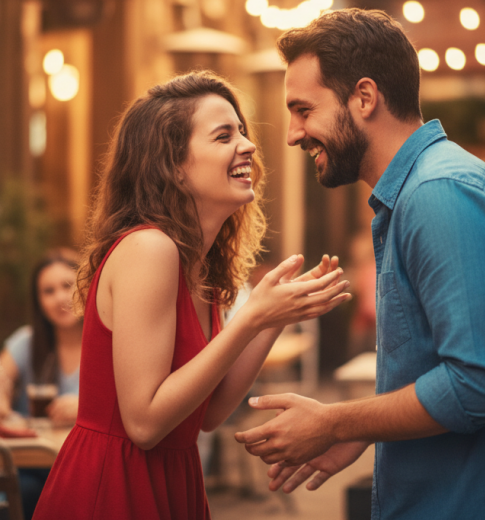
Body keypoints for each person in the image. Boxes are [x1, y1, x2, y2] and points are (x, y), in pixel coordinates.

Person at [233, 9, 485, 519]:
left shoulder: (437, 194)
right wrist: (362, 430)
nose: (293, 134)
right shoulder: (419, 191)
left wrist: (336, 423)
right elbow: (440, 367)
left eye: (303, 110)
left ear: (364, 97)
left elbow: (480, 382)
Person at [33, 71, 350, 520]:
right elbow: (144, 424)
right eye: (224, 136)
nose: (248, 145)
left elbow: (208, 414)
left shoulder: (199, 265)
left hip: (171, 477)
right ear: (174, 166)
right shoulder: (150, 249)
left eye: (241, 131)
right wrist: (250, 317)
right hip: (115, 486)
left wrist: (273, 316)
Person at [0, 249, 82, 519]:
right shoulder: (27, 341)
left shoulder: (108, 344)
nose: (60, 297)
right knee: (24, 490)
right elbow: (1, 376)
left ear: (86, 287)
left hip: (82, 467)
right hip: (32, 465)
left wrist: (86, 408)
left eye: (67, 286)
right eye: (48, 291)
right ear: (38, 301)